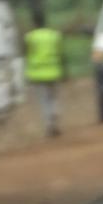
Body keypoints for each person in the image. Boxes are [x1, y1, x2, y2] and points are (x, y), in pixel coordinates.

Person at [24, 9, 65, 138]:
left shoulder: (30, 37)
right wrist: (65, 72)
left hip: (37, 73)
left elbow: (26, 55)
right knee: (53, 97)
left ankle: (49, 124)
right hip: (53, 71)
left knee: (44, 100)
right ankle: (55, 114)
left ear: (34, 22)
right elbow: (61, 54)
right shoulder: (54, 35)